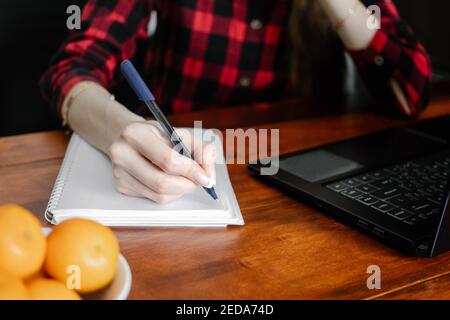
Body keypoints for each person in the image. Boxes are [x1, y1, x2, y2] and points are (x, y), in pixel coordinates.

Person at [40, 0, 431, 204]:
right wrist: (121, 130)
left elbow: (410, 93)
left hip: (299, 178)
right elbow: (72, 68)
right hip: (178, 165)